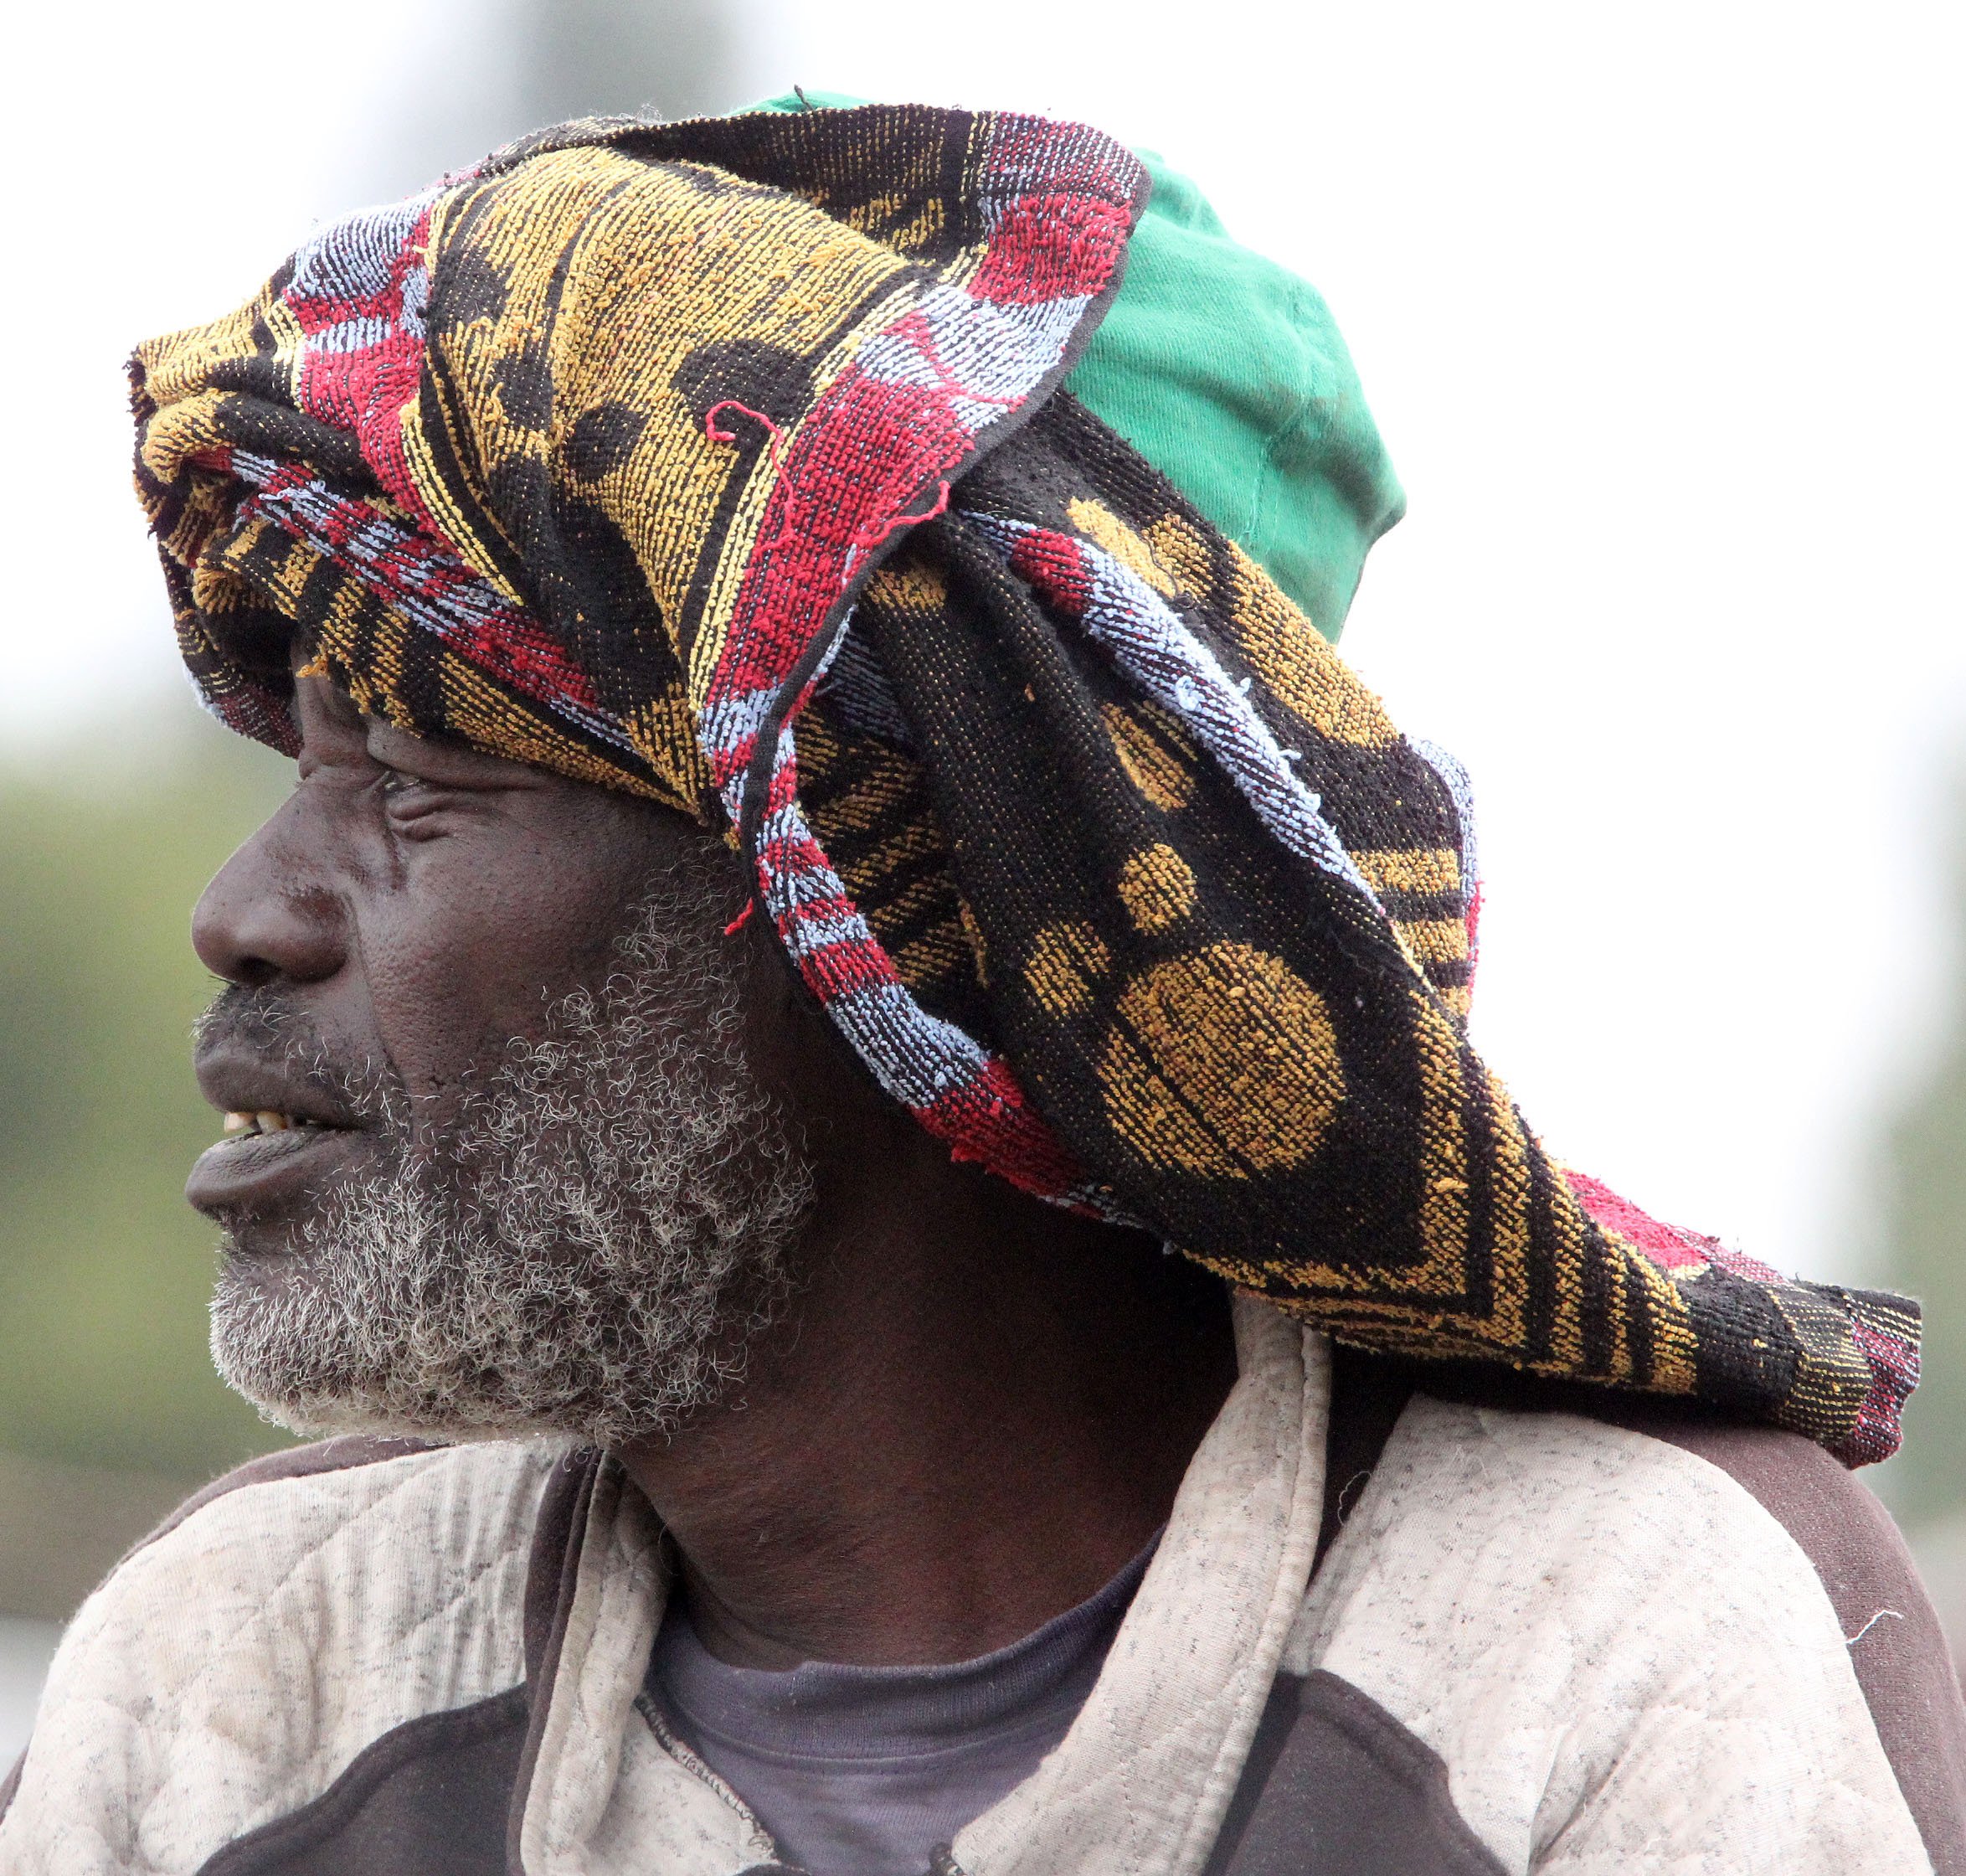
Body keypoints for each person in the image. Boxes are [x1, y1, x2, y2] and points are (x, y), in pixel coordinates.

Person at [3, 95, 1960, 1875]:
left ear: (882, 891)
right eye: (303, 768)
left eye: (424, 779)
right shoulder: (234, 1695)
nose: (245, 912)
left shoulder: (1610, 1649)